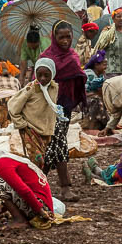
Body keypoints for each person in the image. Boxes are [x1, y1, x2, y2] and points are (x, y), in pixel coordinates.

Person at [0, 131, 54, 231]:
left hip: (42, 208)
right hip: (40, 205)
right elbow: (10, 194)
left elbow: (22, 189)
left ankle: (20, 220)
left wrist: (41, 211)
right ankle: (20, 217)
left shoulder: (0, 164)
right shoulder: (1, 159)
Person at [39, 22, 85, 201]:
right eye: (61, 37)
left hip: (65, 107)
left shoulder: (72, 55)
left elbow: (77, 78)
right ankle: (65, 187)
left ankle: (38, 182)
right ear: (54, 38)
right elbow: (38, 82)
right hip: (47, 107)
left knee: (53, 146)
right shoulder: (47, 58)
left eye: (68, 37)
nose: (65, 41)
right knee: (58, 144)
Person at [7, 58, 59, 170]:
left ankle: (35, 181)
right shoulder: (31, 88)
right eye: (39, 75)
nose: (42, 79)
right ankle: (33, 182)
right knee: (37, 159)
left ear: (53, 74)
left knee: (42, 160)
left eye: (46, 75)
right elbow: (12, 105)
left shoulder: (54, 88)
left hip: (45, 130)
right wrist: (21, 124)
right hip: (30, 129)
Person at [95, 7, 122, 76]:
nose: (121, 19)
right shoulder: (107, 33)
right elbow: (99, 49)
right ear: (113, 18)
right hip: (110, 72)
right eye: (118, 17)